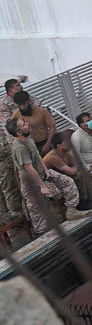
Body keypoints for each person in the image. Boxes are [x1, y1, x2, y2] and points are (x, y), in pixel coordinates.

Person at [7, 118, 88, 234]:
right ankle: (42, 233)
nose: (28, 124)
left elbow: (37, 157)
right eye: (24, 124)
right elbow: (29, 168)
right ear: (18, 132)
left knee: (67, 182)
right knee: (37, 208)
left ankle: (71, 211)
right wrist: (42, 186)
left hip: (42, 174)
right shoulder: (19, 148)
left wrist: (46, 171)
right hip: (31, 182)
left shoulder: (28, 139)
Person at [0, 78, 30, 220]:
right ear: (11, 90)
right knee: (9, 183)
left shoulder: (23, 97)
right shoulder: (4, 106)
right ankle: (17, 217)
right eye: (17, 85)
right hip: (6, 150)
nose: (21, 86)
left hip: (19, 143)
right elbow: (10, 126)